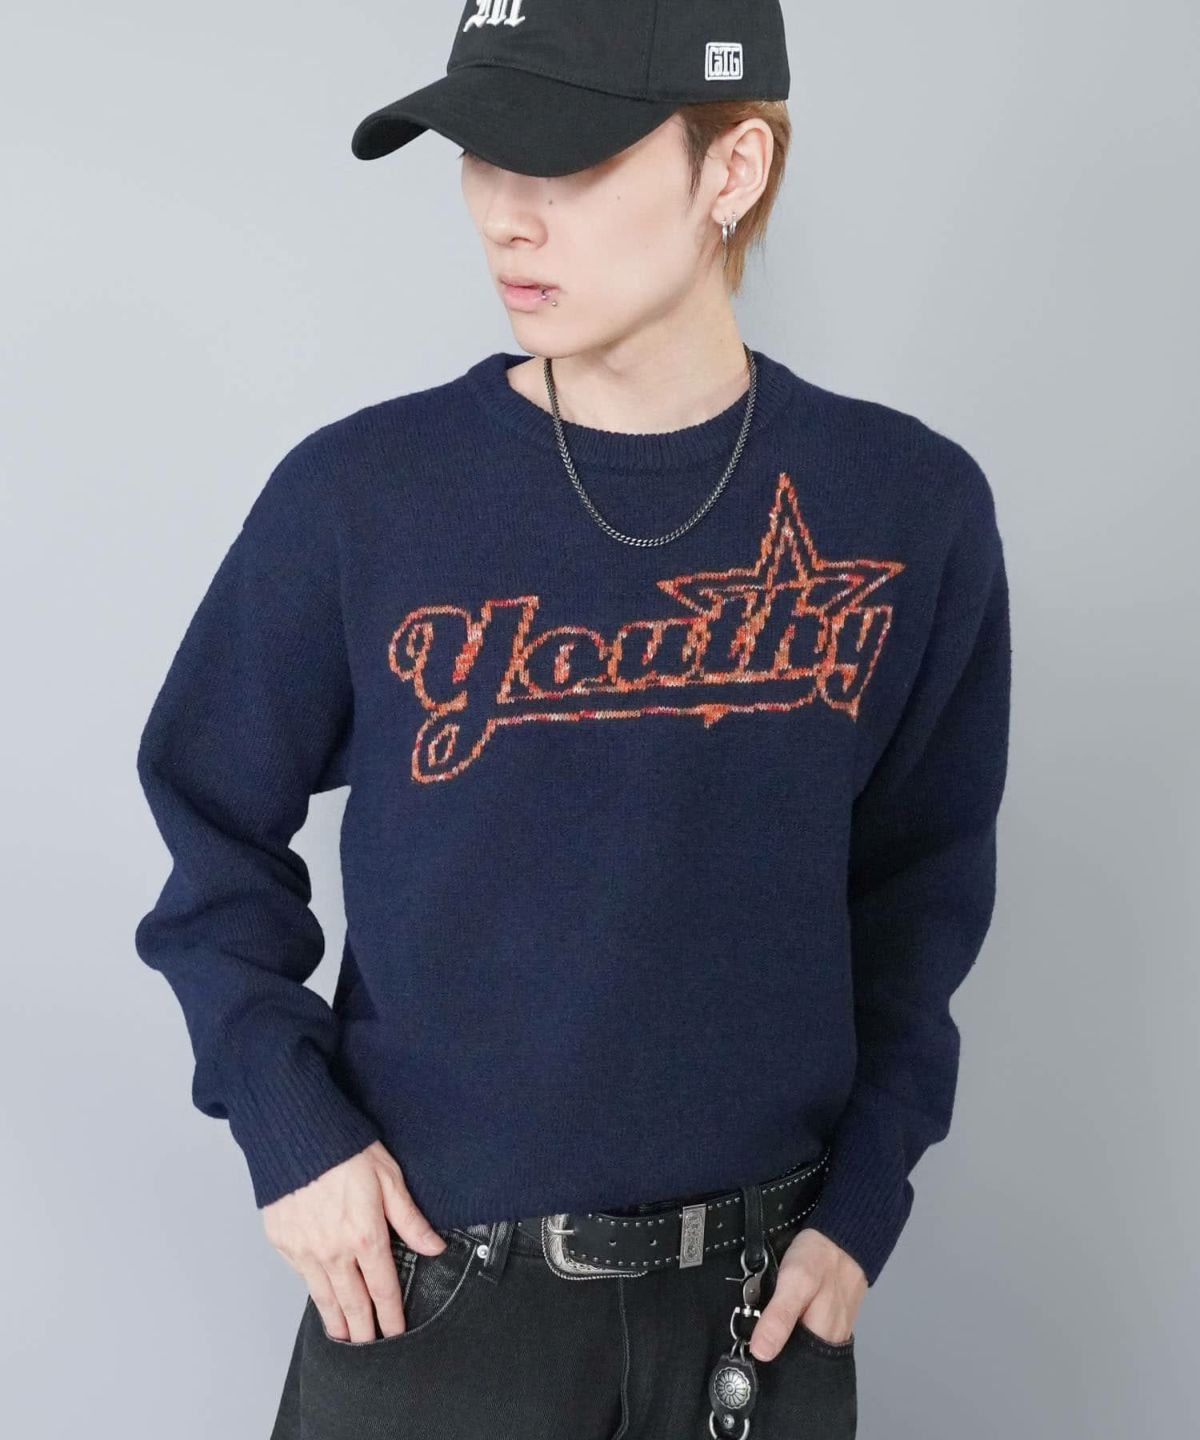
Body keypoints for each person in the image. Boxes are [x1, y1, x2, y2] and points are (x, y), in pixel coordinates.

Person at [133, 3, 1012, 1436]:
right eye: (482, 157)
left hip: (758, 1315)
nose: (505, 216)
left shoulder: (908, 510)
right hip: (437, 1300)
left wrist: (863, 1207)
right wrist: (292, 1130)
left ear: (731, 171)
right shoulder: (362, 498)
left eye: (567, 161)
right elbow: (209, 830)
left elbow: (922, 899)